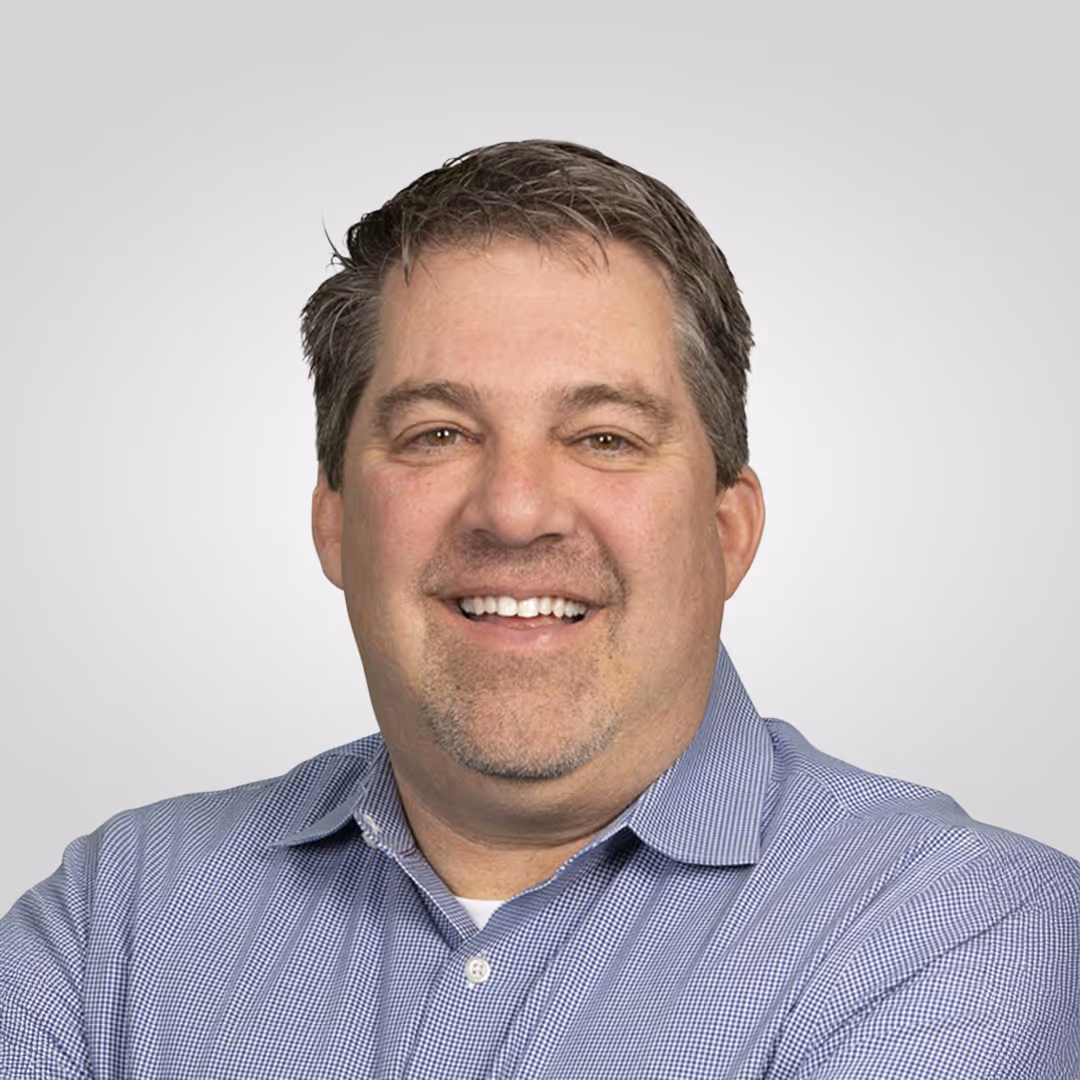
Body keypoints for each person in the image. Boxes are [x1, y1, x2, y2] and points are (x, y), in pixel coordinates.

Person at [1, 140, 1077, 1080]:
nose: (516, 511)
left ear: (727, 530)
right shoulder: (118, 920)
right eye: (435, 434)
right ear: (335, 523)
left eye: (604, 436)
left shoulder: (960, 932)